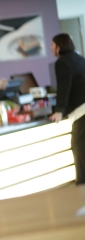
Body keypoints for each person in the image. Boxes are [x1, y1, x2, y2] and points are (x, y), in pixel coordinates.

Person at [49, 33, 85, 185]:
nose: (51, 48)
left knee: (80, 149)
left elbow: (65, 87)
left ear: (59, 46)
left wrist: (59, 110)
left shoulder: (62, 62)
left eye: (52, 45)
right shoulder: (79, 58)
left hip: (81, 112)